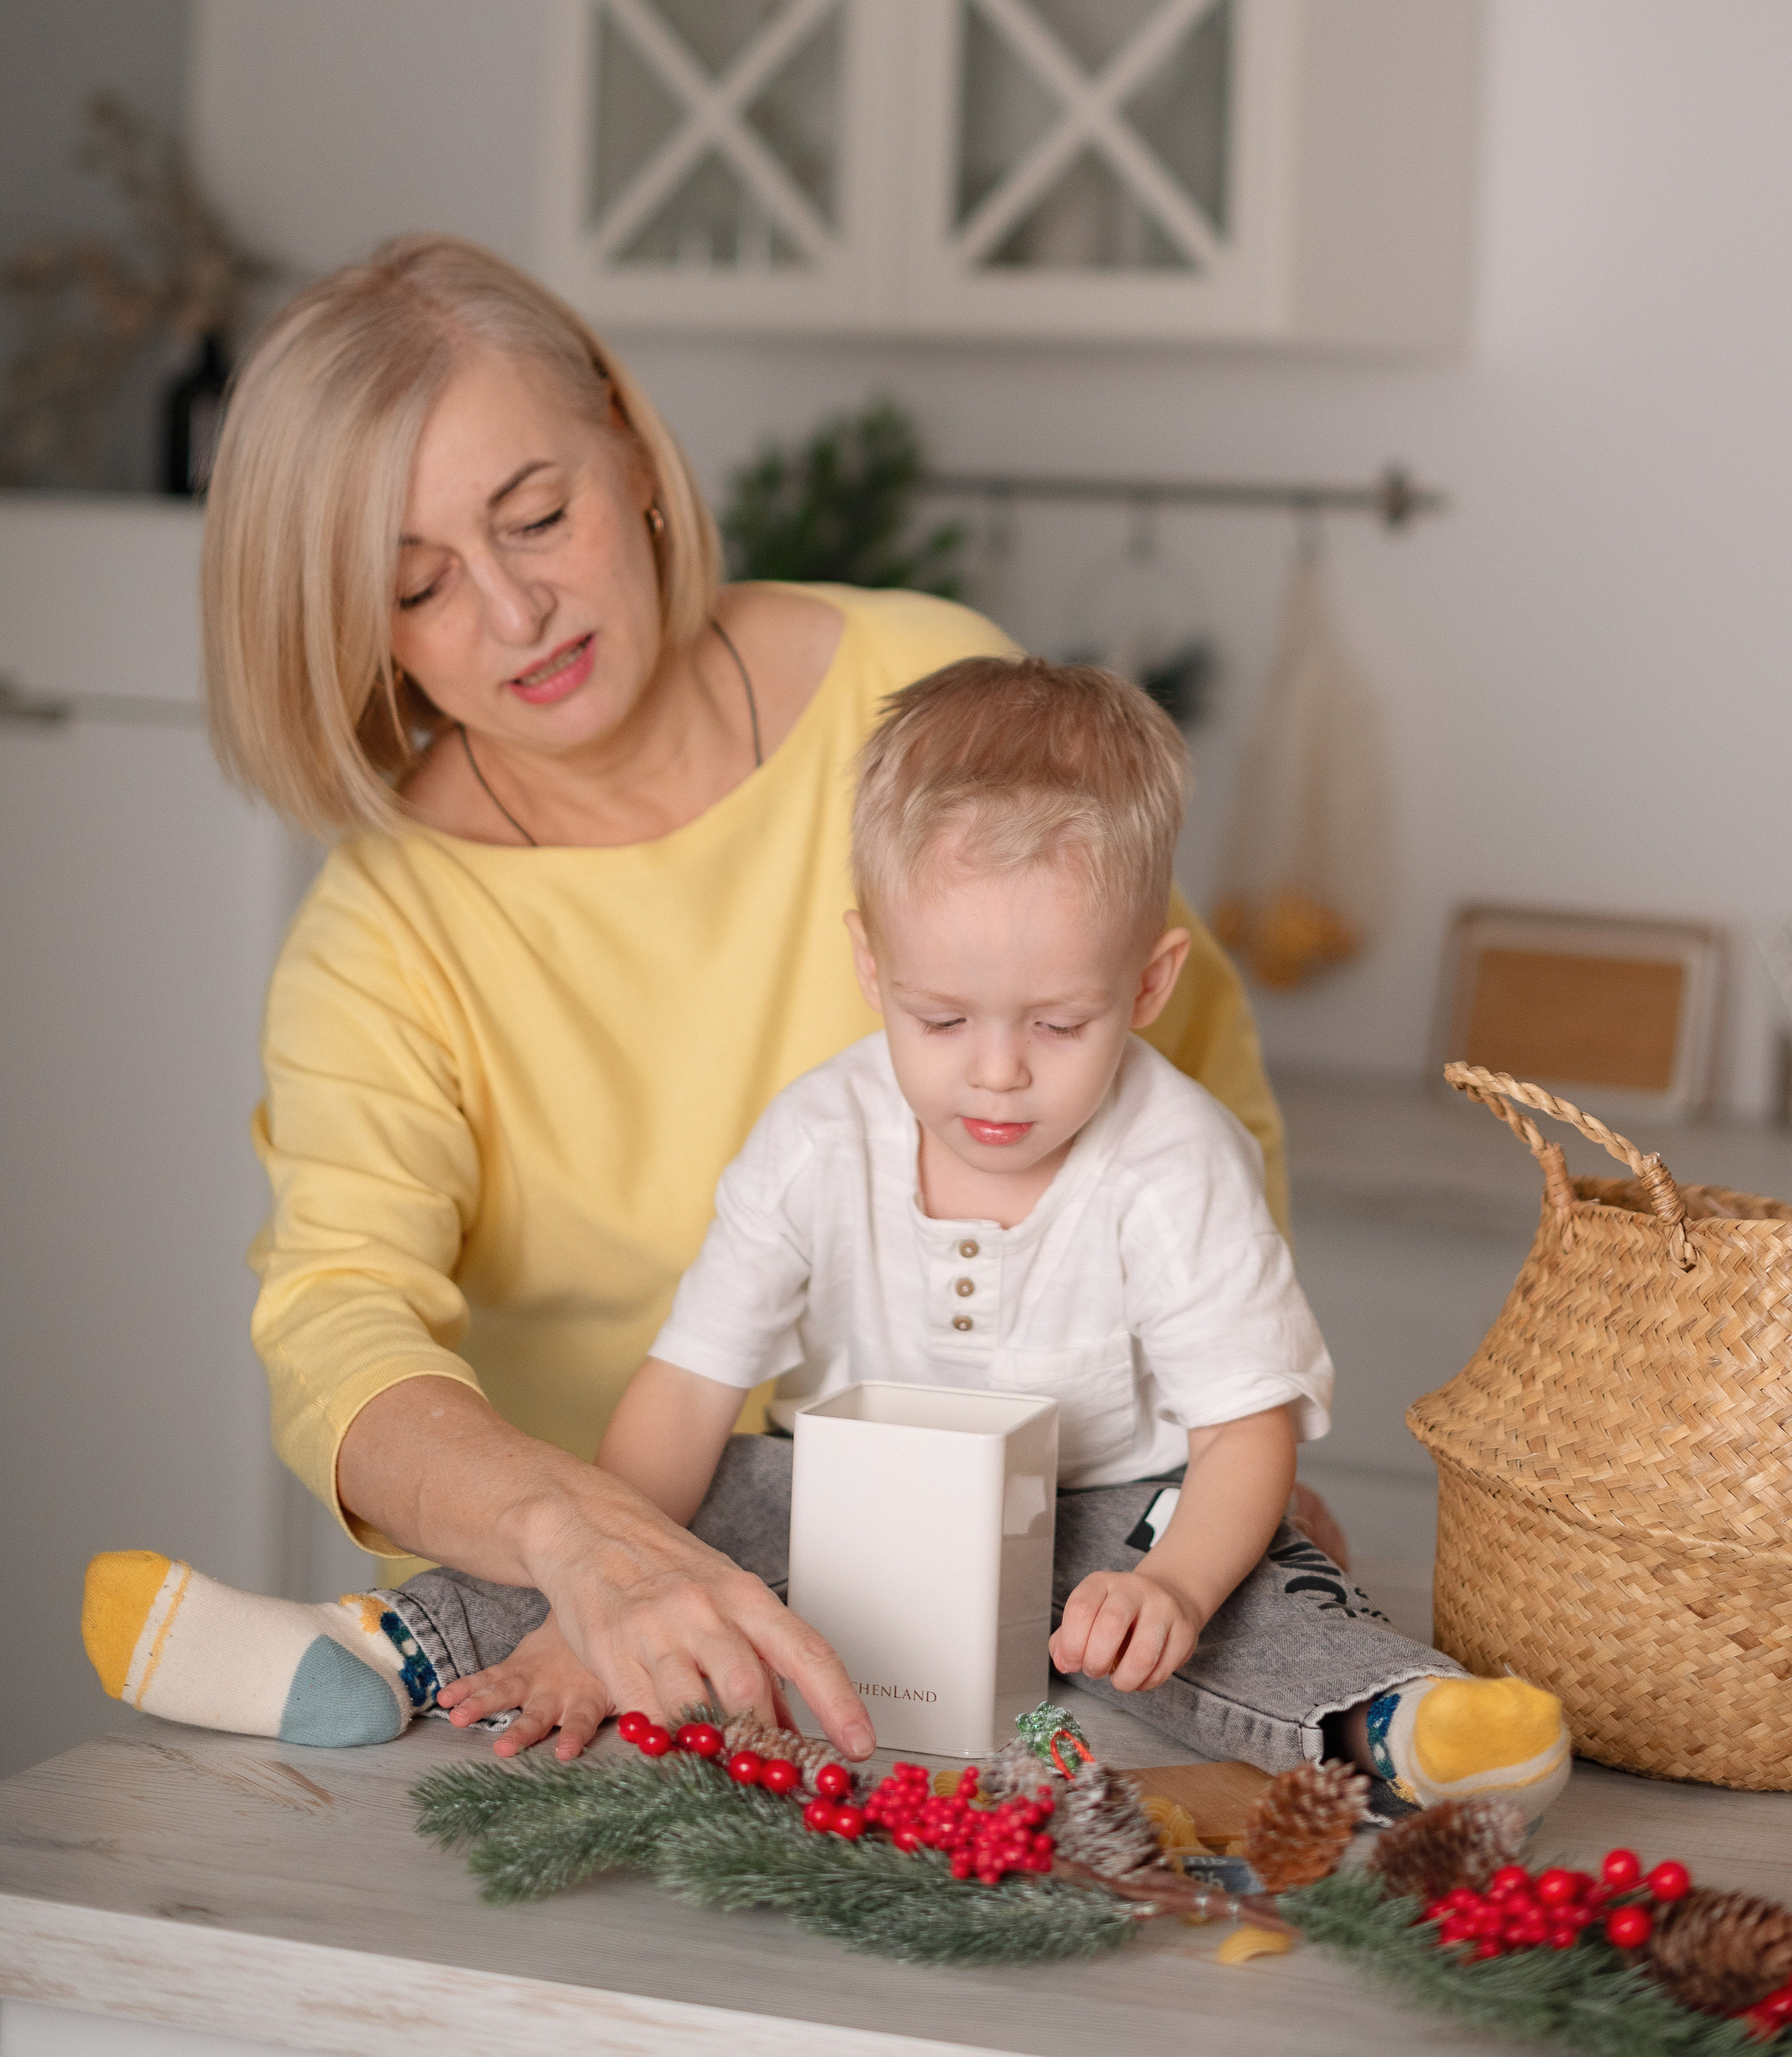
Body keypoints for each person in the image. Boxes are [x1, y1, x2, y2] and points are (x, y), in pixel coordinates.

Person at [79, 237, 1295, 1764]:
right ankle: (380, 1653)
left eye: (538, 515)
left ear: (625, 441)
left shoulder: (913, 696)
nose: (515, 611)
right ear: (358, 627)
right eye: (419, 585)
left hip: (1020, 1581)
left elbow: (1194, 1081)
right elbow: (341, 1329)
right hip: (598, 1657)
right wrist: (582, 1537)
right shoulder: (385, 932)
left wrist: (1222, 1444)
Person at [92, 648, 1572, 1819]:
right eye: (941, 1017)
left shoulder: (1174, 1156)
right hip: (859, 1502)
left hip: (1107, 1509)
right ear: (870, 966)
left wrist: (1176, 1579)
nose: (995, 1072)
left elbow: (1248, 1429)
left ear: (1146, 984)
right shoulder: (819, 1133)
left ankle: (1406, 1716)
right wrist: (588, 1589)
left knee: (1264, 1582)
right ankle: (372, 1653)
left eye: (1056, 1024)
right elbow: (685, 1390)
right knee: (700, 1491)